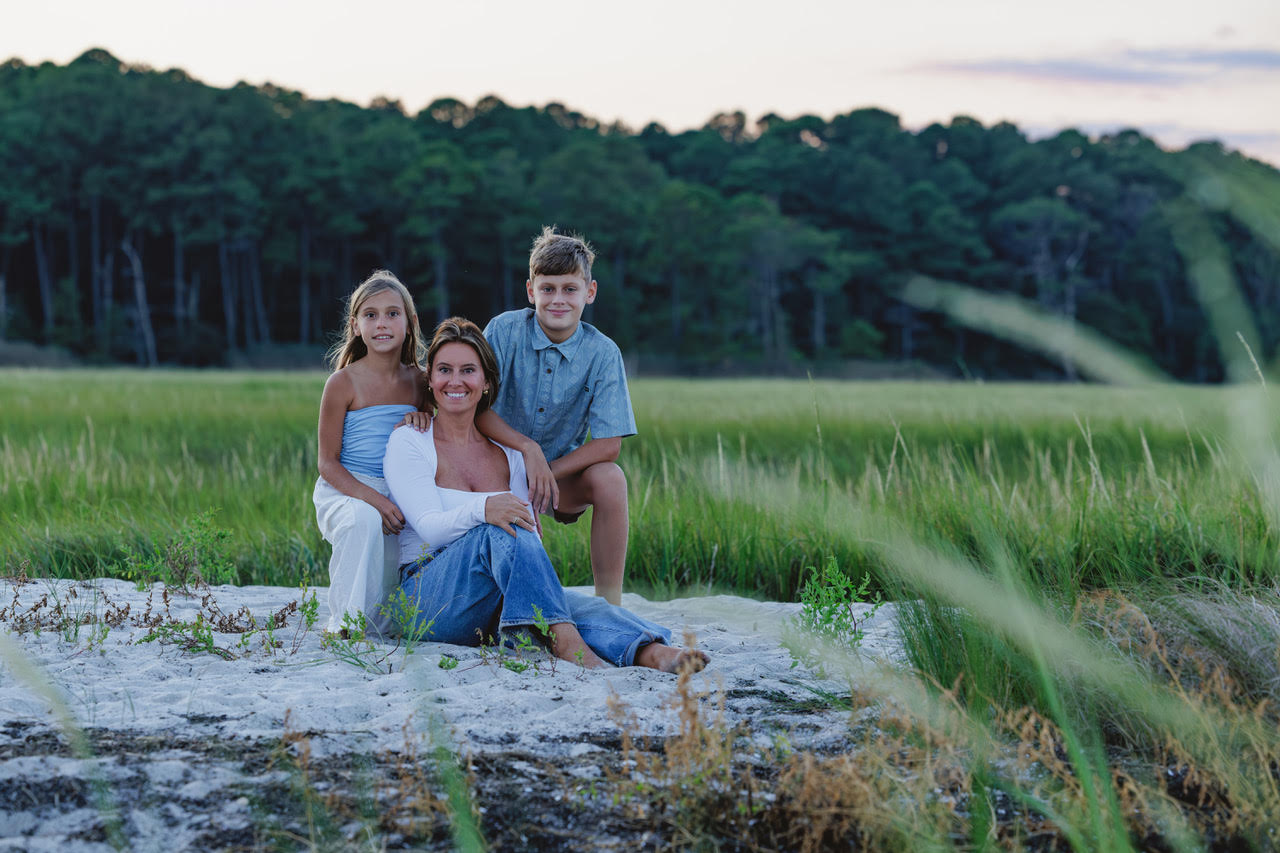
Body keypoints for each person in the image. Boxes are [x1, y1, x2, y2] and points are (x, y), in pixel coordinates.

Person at [383, 317, 707, 672]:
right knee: (500, 529)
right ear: (430, 379)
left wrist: (501, 511)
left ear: (486, 382)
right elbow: (429, 527)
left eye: (468, 370)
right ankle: (569, 648)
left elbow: (529, 539)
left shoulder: (508, 455)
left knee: (578, 606)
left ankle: (652, 653)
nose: (455, 381)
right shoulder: (410, 440)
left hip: (492, 604)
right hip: (428, 599)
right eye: (444, 370)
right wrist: (486, 507)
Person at [479, 227, 635, 605]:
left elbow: (609, 444)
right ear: (530, 291)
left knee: (611, 479)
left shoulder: (603, 353)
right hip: (490, 468)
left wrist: (546, 469)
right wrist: (527, 450)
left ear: (590, 293)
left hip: (558, 479)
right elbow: (475, 410)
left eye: (570, 289)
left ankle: (610, 603)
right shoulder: (503, 331)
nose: (558, 300)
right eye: (547, 289)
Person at [313, 270, 429, 638]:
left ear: (410, 324)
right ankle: (343, 626)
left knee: (389, 606)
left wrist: (426, 420)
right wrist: (374, 500)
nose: (382, 323)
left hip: (399, 492)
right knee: (363, 520)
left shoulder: (421, 381)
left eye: (393, 314)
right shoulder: (343, 382)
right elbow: (327, 462)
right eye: (371, 314)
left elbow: (445, 437)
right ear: (355, 325)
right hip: (349, 490)